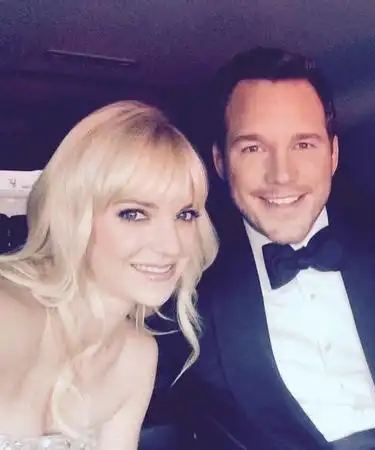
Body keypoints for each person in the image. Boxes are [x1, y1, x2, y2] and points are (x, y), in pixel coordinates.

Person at [153, 47, 375, 450]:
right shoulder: (184, 277)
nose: (281, 175)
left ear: (333, 155)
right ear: (221, 162)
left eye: (304, 145)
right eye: (253, 148)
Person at [0, 101, 218, 450]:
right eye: (134, 214)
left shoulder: (136, 356)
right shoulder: (8, 314)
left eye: (185, 215)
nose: (171, 245)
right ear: (74, 214)